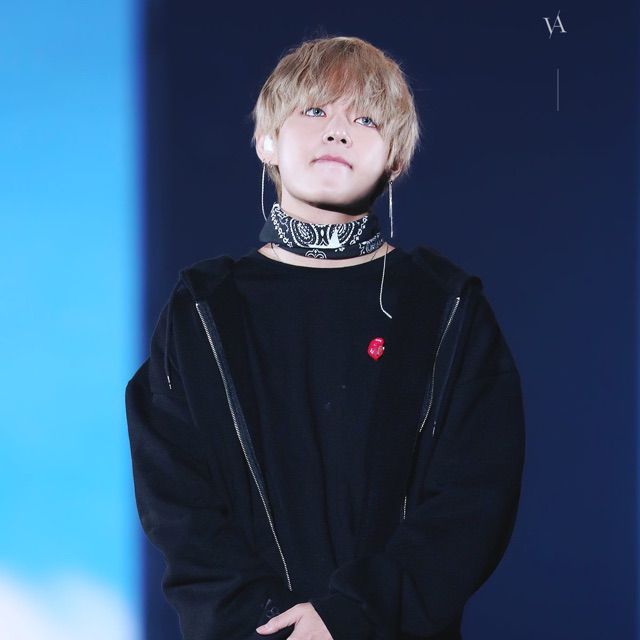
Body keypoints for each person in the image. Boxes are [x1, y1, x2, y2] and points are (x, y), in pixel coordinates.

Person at [125, 35, 526, 640]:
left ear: (395, 159)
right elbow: (176, 500)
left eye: (365, 119)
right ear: (267, 141)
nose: (337, 132)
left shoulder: (444, 307)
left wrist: (350, 616)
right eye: (314, 110)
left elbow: (474, 499)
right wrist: (266, 622)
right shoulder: (204, 309)